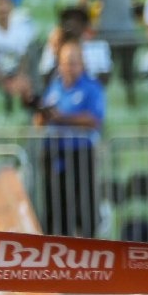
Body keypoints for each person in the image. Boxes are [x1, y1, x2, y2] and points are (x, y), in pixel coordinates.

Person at [27, 41, 106, 239]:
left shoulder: (92, 87)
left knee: (82, 206)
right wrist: (41, 115)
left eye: (73, 63)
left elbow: (94, 119)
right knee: (55, 206)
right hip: (53, 154)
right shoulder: (54, 87)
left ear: (82, 63)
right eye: (64, 63)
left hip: (80, 155)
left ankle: (87, 247)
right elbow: (41, 121)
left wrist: (62, 117)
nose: (68, 68)